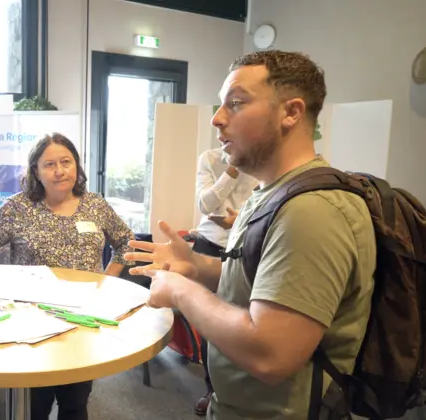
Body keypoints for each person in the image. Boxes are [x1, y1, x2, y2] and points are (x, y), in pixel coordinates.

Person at [125, 50, 376, 419]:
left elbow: (270, 352)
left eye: (236, 104)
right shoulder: (269, 194)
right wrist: (196, 267)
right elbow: (262, 282)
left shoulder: (313, 211)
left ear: (291, 112)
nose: (216, 118)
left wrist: (181, 289)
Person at [0, 132, 135, 420]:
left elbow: (126, 242)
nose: (60, 171)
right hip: (32, 325)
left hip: (83, 321)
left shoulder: (95, 204)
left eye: (66, 162)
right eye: (50, 164)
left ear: (77, 166)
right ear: (36, 171)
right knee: (34, 407)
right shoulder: (18, 207)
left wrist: (109, 280)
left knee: (75, 404)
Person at [191, 147, 257, 415]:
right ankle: (213, 388)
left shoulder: (263, 161)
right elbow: (205, 205)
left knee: (247, 318)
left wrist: (239, 219)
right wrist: (232, 169)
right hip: (210, 243)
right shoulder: (209, 159)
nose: (219, 123)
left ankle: (246, 387)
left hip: (246, 245)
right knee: (211, 322)